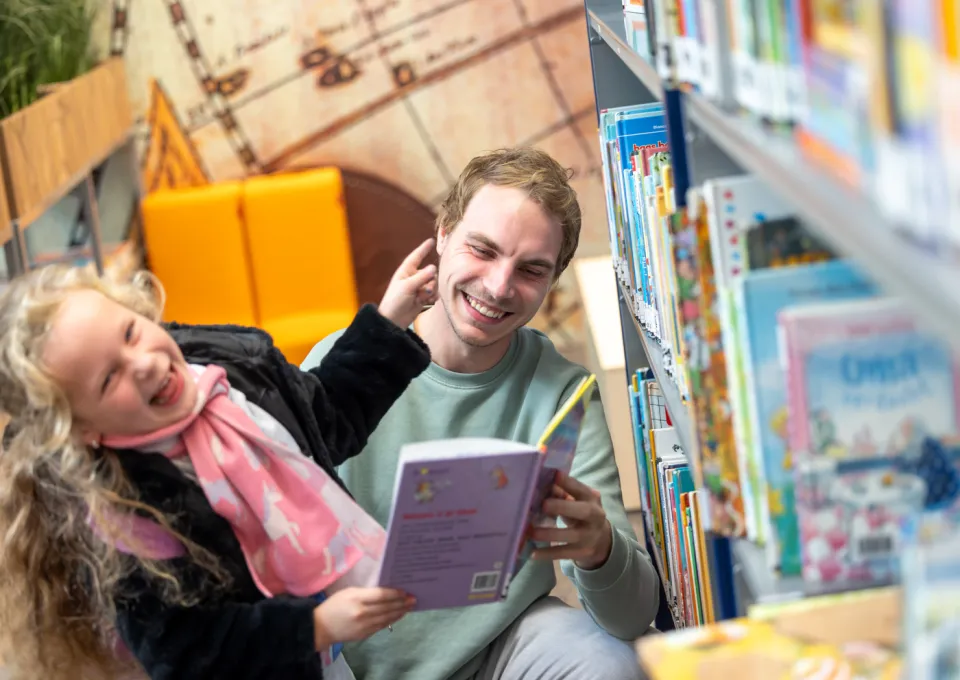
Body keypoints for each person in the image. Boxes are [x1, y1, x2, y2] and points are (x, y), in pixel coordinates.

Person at [0, 239, 440, 680]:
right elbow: (185, 651)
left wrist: (389, 323)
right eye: (109, 378)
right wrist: (312, 629)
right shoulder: (126, 513)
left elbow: (323, 421)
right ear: (82, 430)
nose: (144, 364)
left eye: (131, 332)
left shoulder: (228, 373)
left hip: (320, 653)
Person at [302, 147, 660, 680]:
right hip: (352, 656)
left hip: (502, 648)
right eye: (483, 249)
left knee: (615, 664)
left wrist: (601, 550)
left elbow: (631, 619)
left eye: (531, 270)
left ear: (551, 281)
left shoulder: (562, 391)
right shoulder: (343, 364)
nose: (497, 286)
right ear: (443, 233)